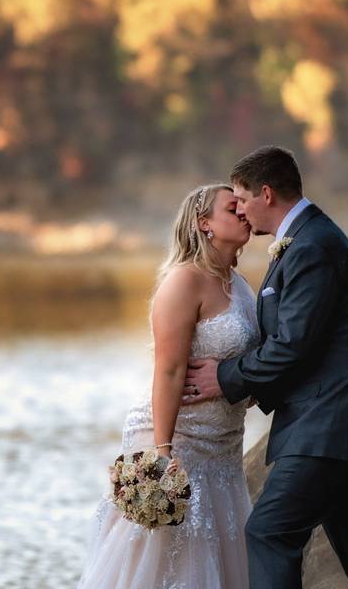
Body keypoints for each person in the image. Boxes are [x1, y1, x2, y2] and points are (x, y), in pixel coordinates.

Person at [184, 146, 348, 588]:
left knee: (268, 534)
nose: (241, 211)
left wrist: (225, 377)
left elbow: (293, 346)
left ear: (266, 194)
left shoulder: (312, 246)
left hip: (326, 427)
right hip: (339, 426)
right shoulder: (308, 240)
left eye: (242, 199)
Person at [77, 184, 258, 588]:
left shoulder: (242, 287)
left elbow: (250, 363)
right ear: (203, 223)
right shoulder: (184, 282)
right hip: (179, 442)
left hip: (224, 449)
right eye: (233, 208)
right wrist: (162, 455)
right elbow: (169, 371)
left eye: (244, 206)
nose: (244, 212)